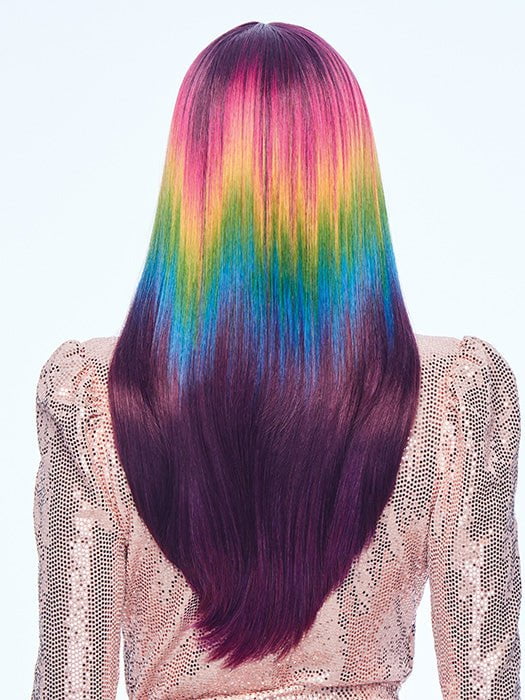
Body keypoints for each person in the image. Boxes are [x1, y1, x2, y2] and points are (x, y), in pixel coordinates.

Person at [31, 21, 521, 699]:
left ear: (192, 175)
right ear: (350, 176)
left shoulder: (91, 396)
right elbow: (485, 679)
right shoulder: (455, 394)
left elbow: (68, 682)